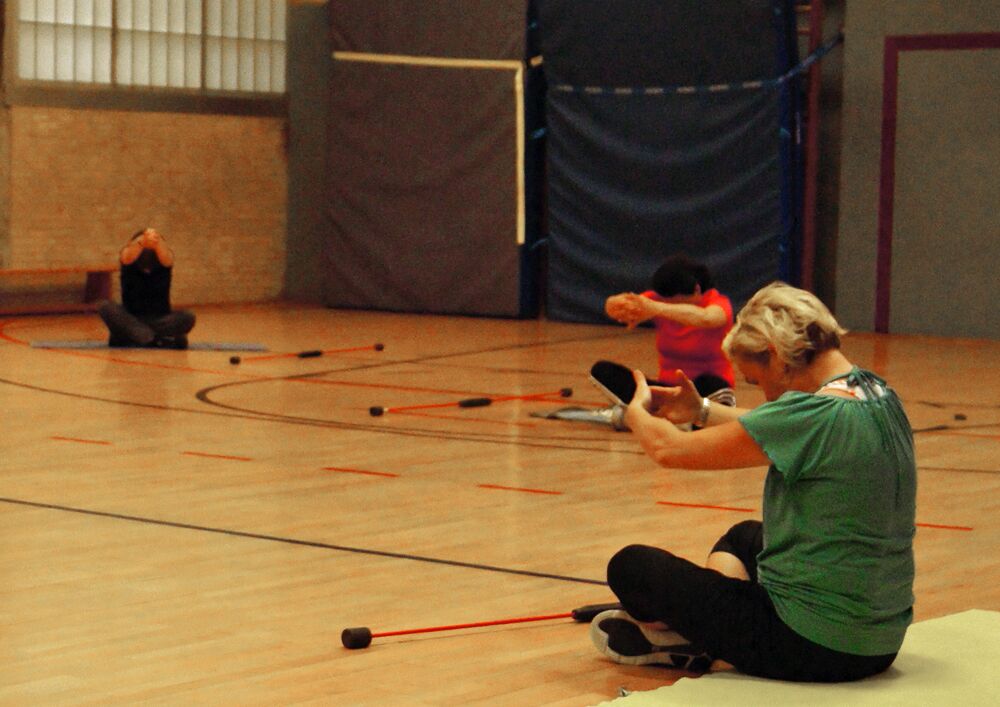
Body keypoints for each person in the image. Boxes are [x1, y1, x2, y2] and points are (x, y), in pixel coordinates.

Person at [589, 282, 916, 682]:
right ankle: (719, 636)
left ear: (777, 357)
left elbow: (667, 449)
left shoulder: (812, 417)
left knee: (632, 567)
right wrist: (701, 410)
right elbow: (776, 425)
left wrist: (634, 411)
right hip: (880, 640)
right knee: (743, 538)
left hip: (815, 647)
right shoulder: (876, 392)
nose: (766, 395)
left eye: (758, 380)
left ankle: (702, 642)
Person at [604, 254, 736, 405]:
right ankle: (661, 406)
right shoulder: (657, 300)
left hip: (706, 389)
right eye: (666, 301)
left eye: (676, 302)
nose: (670, 305)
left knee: (710, 383)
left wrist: (658, 308)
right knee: (604, 371)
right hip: (668, 388)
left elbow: (707, 318)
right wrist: (614, 304)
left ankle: (684, 410)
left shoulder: (718, 303)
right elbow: (618, 306)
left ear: (697, 289)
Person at [98, 228, 195, 349]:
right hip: (131, 318)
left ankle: (138, 337)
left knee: (187, 317)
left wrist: (156, 240)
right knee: (105, 307)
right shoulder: (128, 260)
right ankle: (156, 338)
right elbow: (127, 254)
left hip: (160, 320)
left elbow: (167, 255)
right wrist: (142, 241)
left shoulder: (164, 262)